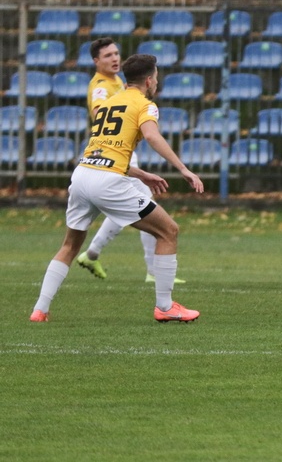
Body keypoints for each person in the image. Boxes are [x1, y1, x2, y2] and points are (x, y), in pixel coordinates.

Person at [30, 53, 204, 323]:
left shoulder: (111, 102)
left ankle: (39, 310)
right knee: (168, 231)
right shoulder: (146, 105)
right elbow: (151, 135)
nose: (156, 83)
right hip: (108, 182)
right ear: (149, 80)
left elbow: (105, 151)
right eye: (156, 78)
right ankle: (165, 307)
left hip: (83, 175)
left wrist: (141, 173)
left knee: (70, 245)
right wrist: (183, 168)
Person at [73, 38, 185, 284]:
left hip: (119, 155)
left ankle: (94, 254)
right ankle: (152, 271)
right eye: (107, 55)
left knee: (139, 205)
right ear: (96, 61)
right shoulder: (100, 86)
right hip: (112, 154)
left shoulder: (118, 83)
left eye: (116, 54)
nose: (114, 58)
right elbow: (101, 116)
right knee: (145, 206)